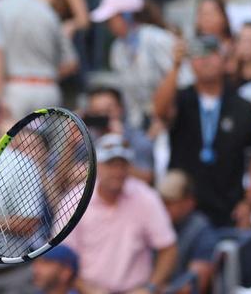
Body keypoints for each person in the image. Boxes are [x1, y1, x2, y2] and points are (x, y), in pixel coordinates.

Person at [152, 35, 251, 227]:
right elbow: (160, 110)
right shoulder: (181, 98)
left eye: (212, 53)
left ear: (224, 60)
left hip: (228, 206)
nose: (206, 60)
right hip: (185, 207)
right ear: (191, 63)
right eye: (199, 55)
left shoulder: (242, 105)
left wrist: (249, 202)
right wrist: (176, 66)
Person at [64, 134, 178, 293]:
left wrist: (149, 288)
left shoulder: (146, 197)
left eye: (122, 165)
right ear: (97, 166)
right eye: (111, 164)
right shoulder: (75, 199)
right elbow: (63, 256)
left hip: (135, 290)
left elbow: (168, 248)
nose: (117, 171)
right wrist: (83, 286)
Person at [91, 0, 186, 127]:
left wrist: (164, 117)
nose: (108, 25)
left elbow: (184, 82)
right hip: (144, 126)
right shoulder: (117, 49)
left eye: (111, 19)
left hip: (177, 122)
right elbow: (131, 100)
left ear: (127, 15)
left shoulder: (158, 38)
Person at [157, 169, 219, 293]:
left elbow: (194, 286)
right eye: (161, 202)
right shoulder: (153, 224)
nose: (163, 208)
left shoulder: (202, 231)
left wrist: (154, 290)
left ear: (189, 202)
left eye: (170, 203)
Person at [85, 86, 155, 183]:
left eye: (107, 111)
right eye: (97, 112)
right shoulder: (84, 137)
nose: (103, 116)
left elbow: (147, 179)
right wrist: (69, 144)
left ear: (120, 109)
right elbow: (61, 179)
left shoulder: (139, 140)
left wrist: (118, 143)